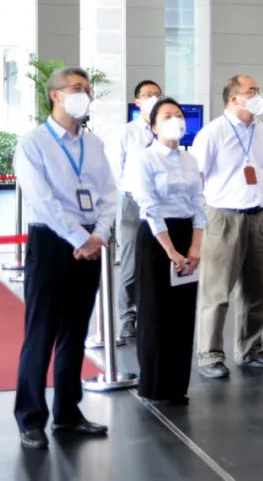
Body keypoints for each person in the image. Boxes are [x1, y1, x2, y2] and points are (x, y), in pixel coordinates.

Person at [13, 67, 116, 449]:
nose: (84, 94)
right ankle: (30, 418)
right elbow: (42, 200)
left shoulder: (94, 144)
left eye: (86, 88)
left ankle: (68, 413)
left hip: (90, 242)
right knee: (41, 332)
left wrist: (99, 234)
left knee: (76, 332)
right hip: (52, 242)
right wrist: (79, 237)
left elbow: (109, 194)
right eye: (76, 88)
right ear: (55, 95)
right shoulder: (33, 143)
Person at [191, 74, 263, 379]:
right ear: (233, 98)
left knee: (257, 290)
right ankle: (209, 354)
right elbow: (197, 178)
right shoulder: (213, 132)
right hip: (223, 217)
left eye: (258, 90)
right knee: (216, 290)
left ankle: (250, 348)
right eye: (251, 91)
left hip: (258, 215)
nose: (258, 96)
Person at [131, 98, 203, 405]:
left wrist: (195, 246)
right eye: (167, 116)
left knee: (182, 312)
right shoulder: (144, 158)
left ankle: (177, 385)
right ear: (154, 126)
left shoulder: (189, 160)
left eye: (179, 115)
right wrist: (171, 250)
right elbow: (149, 206)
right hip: (157, 237)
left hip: (187, 233)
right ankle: (155, 384)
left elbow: (198, 202)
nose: (176, 120)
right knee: (155, 311)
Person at [105, 79, 163, 338]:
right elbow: (115, 171)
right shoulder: (126, 133)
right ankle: (128, 316)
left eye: (157, 94)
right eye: (147, 94)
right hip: (133, 203)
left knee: (159, 261)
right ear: (137, 101)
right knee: (130, 263)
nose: (153, 98)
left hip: (162, 204)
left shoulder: (165, 130)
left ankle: (154, 314)